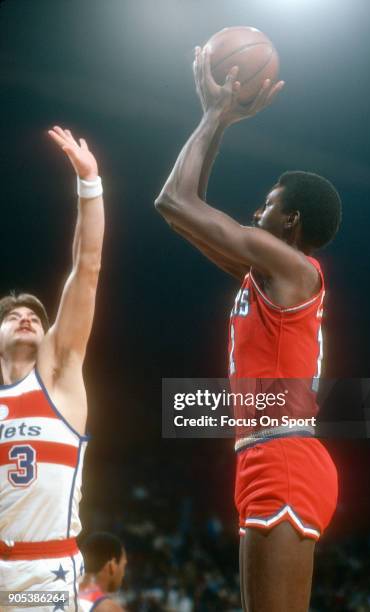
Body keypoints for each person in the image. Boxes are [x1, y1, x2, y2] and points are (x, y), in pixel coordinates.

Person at [155, 47, 341, 611]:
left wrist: (218, 115)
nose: (255, 213)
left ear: (290, 221)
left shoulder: (291, 267)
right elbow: (187, 214)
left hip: (284, 456)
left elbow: (174, 201)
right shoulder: (267, 276)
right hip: (266, 455)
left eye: (266, 206)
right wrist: (217, 122)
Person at [0, 126, 104, 611]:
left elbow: (86, 268)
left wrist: (89, 185)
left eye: (35, 317)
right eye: (11, 315)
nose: (25, 317)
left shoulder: (58, 379)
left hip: (45, 574)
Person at [79, 532, 127, 612]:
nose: (123, 574)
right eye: (123, 566)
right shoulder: (109, 609)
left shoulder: (59, 596)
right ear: (112, 565)